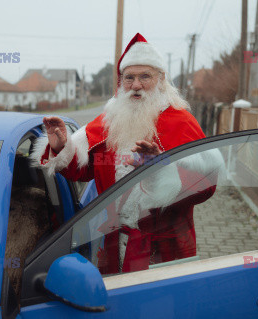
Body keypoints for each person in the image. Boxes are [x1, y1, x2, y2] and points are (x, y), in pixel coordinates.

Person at [31, 33, 222, 274]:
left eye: (145, 76)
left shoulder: (182, 122)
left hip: (165, 249)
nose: (136, 85)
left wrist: (161, 167)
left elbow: (206, 186)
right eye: (129, 77)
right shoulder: (109, 122)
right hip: (112, 244)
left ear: (161, 79)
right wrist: (61, 147)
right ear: (121, 82)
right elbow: (84, 170)